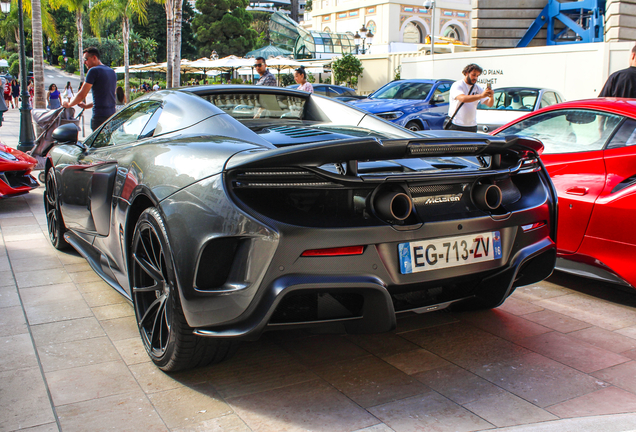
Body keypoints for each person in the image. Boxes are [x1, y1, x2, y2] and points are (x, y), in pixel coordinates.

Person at [63, 47, 117, 131]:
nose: (84, 62)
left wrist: (69, 104)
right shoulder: (112, 72)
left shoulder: (93, 71)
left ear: (94, 58)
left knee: (97, 143)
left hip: (99, 117)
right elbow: (107, 96)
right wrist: (87, 106)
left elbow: (82, 95)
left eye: (86, 59)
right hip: (112, 116)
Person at [447, 63, 494, 132]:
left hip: (472, 126)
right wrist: (481, 96)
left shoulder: (477, 88)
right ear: (466, 73)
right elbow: (463, 98)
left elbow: (489, 104)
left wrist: (491, 96)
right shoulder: (458, 85)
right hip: (457, 124)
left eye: (477, 76)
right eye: (473, 75)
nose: (475, 78)